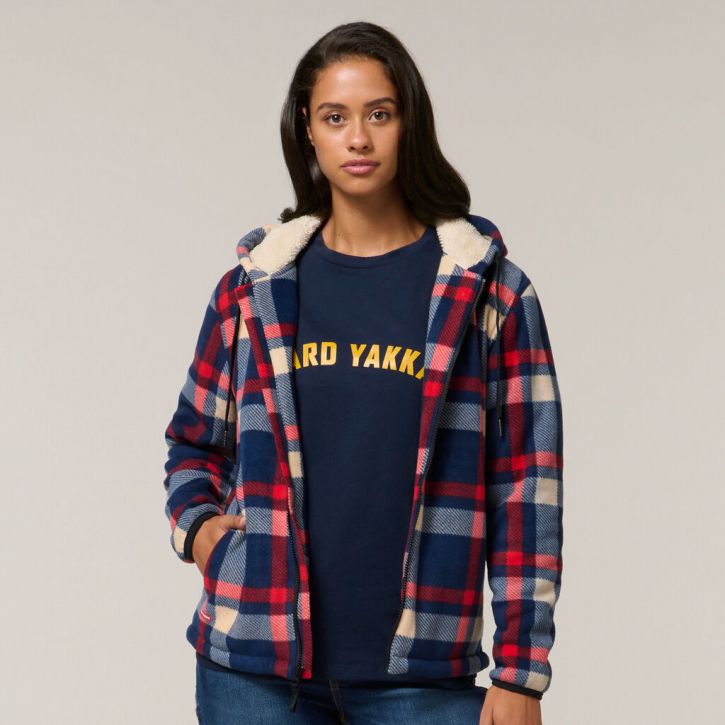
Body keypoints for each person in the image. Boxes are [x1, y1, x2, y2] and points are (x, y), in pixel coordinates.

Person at [163, 20, 563, 725]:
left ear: (410, 124)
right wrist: (199, 531)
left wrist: (521, 673)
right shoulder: (251, 291)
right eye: (335, 117)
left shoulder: (488, 293)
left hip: (424, 676)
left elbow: (527, 488)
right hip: (252, 669)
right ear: (307, 130)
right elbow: (194, 442)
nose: (358, 138)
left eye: (379, 114)